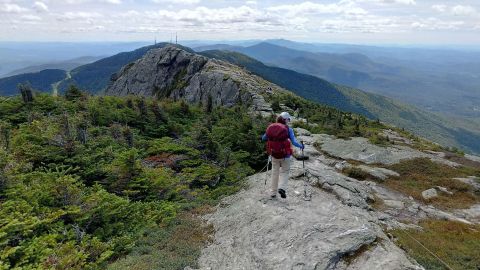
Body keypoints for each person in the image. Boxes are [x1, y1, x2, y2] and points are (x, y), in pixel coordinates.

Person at [262, 112, 304, 199]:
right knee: (285, 172)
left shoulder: (271, 127)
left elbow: (264, 138)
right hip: (285, 155)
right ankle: (282, 188)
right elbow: (294, 142)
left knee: (275, 173)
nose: (289, 121)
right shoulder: (288, 129)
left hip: (274, 155)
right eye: (288, 119)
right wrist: (301, 146)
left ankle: (273, 193)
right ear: (285, 120)